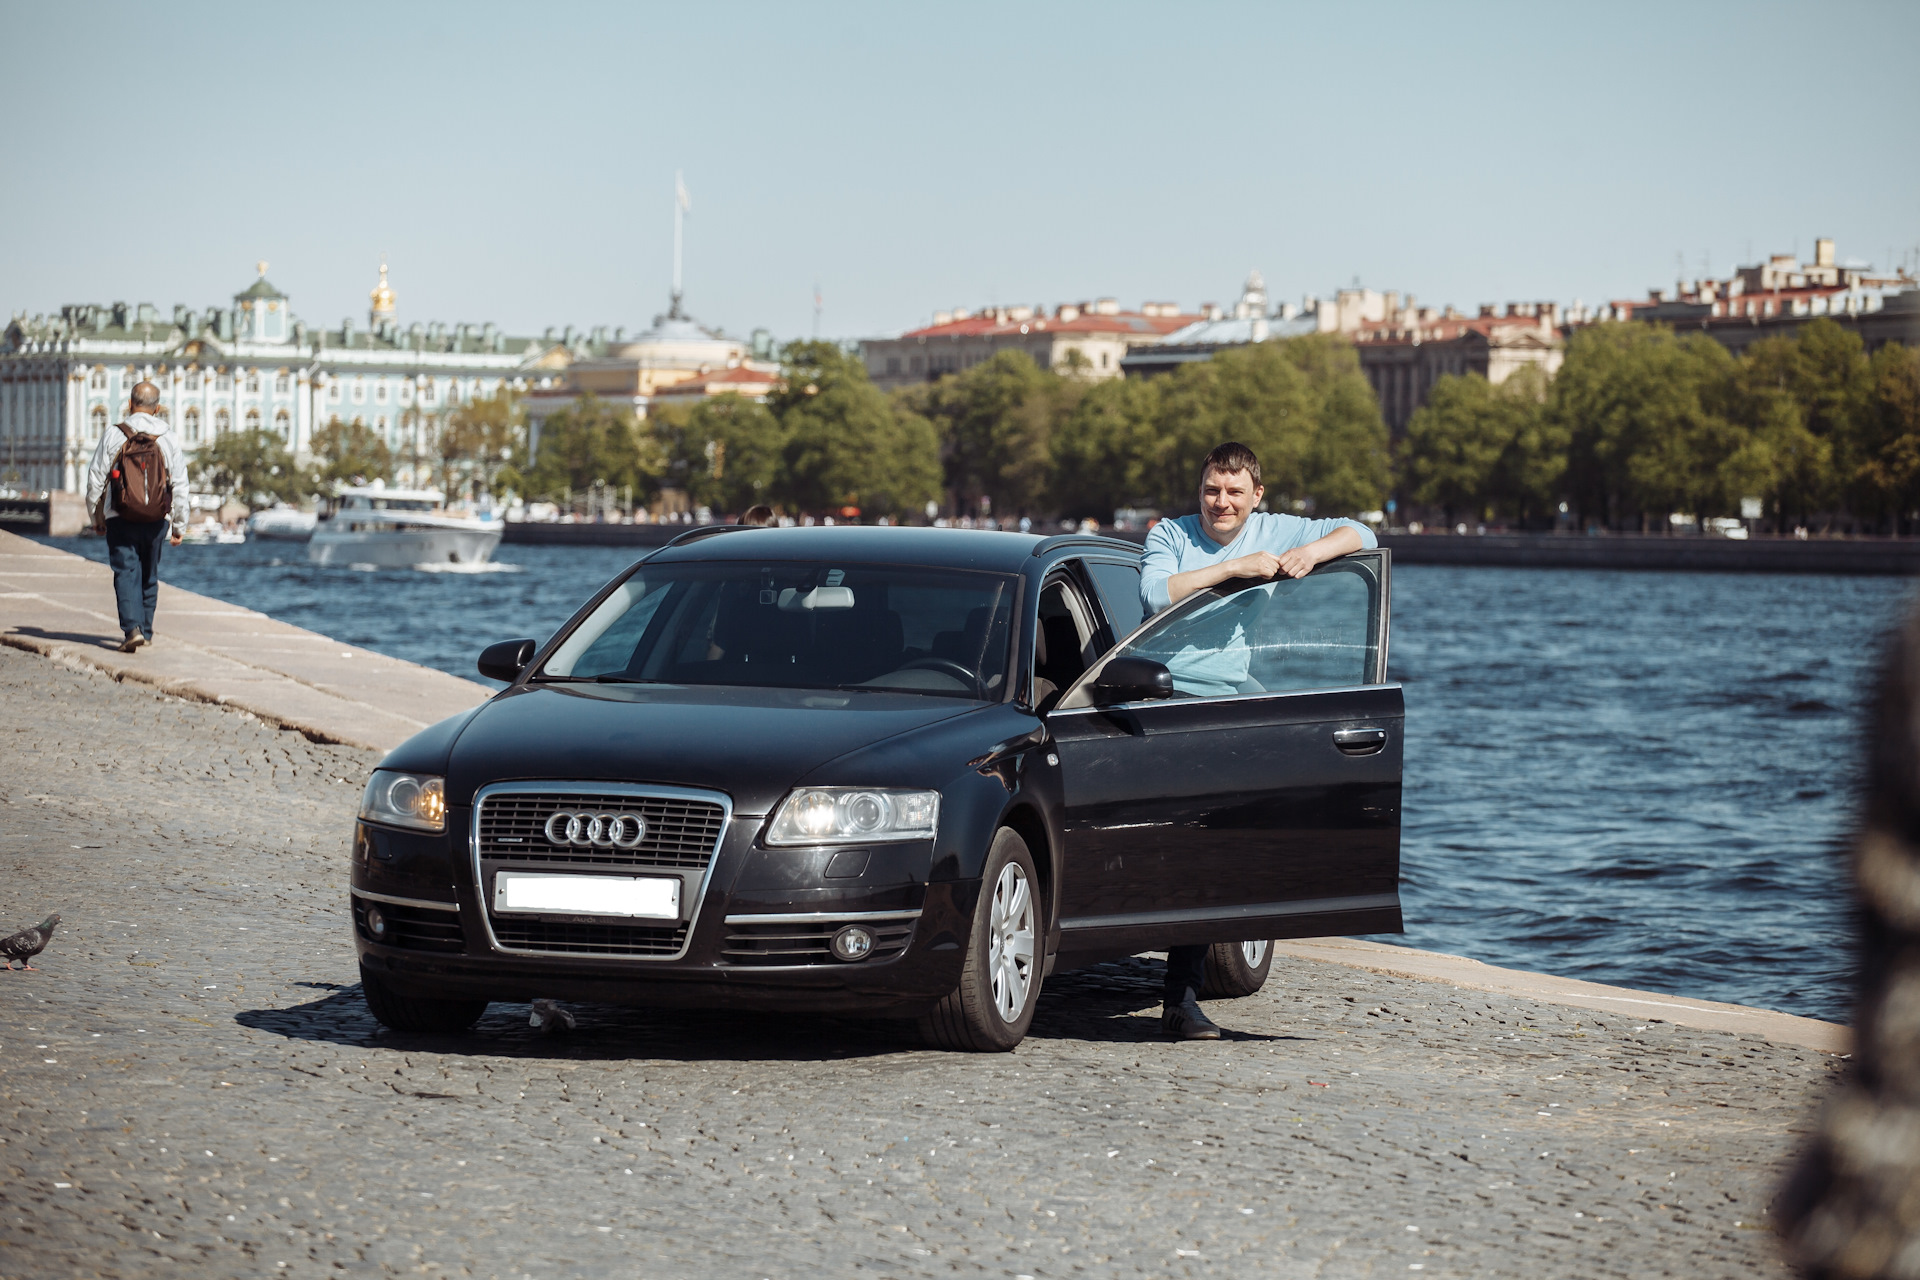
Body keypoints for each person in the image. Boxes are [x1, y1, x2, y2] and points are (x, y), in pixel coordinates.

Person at [1139, 440, 1378, 1041]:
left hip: (1225, 699)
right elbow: (1152, 594)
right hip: (1159, 693)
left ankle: (1188, 987)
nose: (1222, 503)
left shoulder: (1275, 527)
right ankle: (1169, 983)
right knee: (1182, 841)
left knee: (1229, 837)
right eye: (1212, 491)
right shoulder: (1170, 534)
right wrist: (1230, 570)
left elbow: (1362, 535)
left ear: (1257, 496)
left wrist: (1307, 553)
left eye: (1234, 493)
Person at [84, 381, 189, 652]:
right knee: (149, 573)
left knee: (125, 570)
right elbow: (179, 483)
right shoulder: (168, 436)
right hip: (157, 518)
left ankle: (132, 629)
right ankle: (148, 631)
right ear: (157, 409)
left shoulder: (114, 434)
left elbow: (96, 479)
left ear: (129, 405)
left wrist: (96, 518)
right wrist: (179, 525)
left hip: (120, 515)